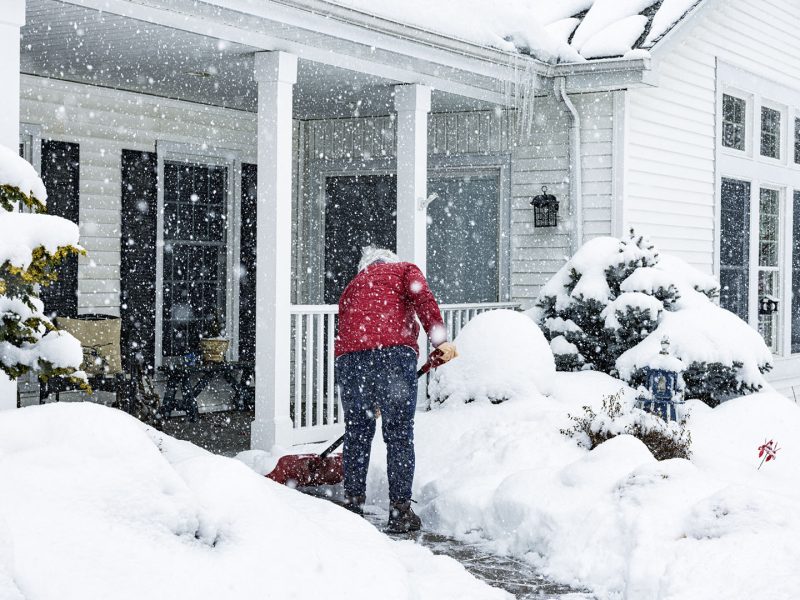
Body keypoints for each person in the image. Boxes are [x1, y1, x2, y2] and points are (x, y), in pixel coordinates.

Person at [334, 246, 457, 533]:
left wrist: (365, 387)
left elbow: (347, 327)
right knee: (399, 434)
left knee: (358, 433)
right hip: (393, 357)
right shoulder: (404, 270)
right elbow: (424, 299)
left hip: (351, 361)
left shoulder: (353, 284)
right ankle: (400, 511)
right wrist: (440, 342)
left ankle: (352, 504)